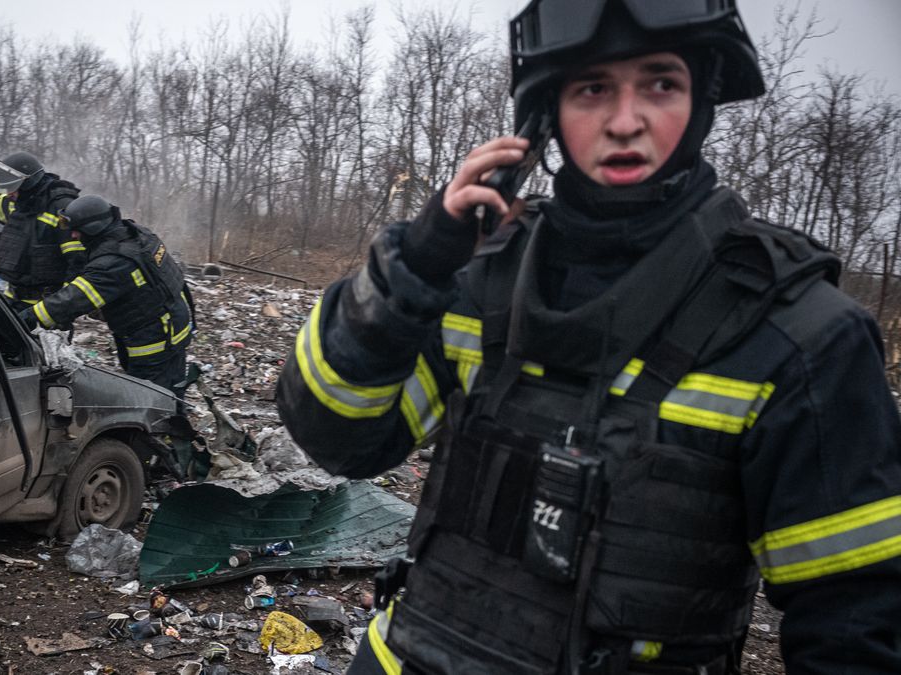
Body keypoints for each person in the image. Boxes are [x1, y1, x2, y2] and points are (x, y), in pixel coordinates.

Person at [275, 1, 901, 673]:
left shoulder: (802, 335)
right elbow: (339, 439)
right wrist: (413, 272)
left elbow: (856, 623)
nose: (625, 120)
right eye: (592, 88)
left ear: (704, 98)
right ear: (546, 115)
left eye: (661, 82)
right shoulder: (479, 280)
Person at [16, 195, 194, 397]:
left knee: (151, 399)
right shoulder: (137, 235)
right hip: (173, 325)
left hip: (154, 341)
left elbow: (69, 302)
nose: (73, 235)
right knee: (171, 390)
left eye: (77, 229)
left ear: (94, 228)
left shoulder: (113, 262)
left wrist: (24, 319)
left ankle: (164, 426)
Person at [0, 147, 84, 308]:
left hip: (44, 305)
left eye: (12, 187)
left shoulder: (60, 208)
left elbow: (77, 263)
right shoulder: (21, 205)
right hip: (12, 298)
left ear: (28, 183)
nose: (8, 193)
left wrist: (62, 308)